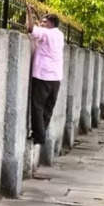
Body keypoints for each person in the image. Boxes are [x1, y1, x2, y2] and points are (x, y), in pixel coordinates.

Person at [26, 8, 65, 147]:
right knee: (48, 108)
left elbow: (30, 28)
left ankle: (39, 136)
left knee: (37, 106)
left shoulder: (47, 34)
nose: (41, 24)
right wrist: (39, 24)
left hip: (43, 75)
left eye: (44, 22)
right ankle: (41, 132)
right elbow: (38, 33)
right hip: (56, 78)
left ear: (50, 23)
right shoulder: (60, 35)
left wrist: (29, 13)